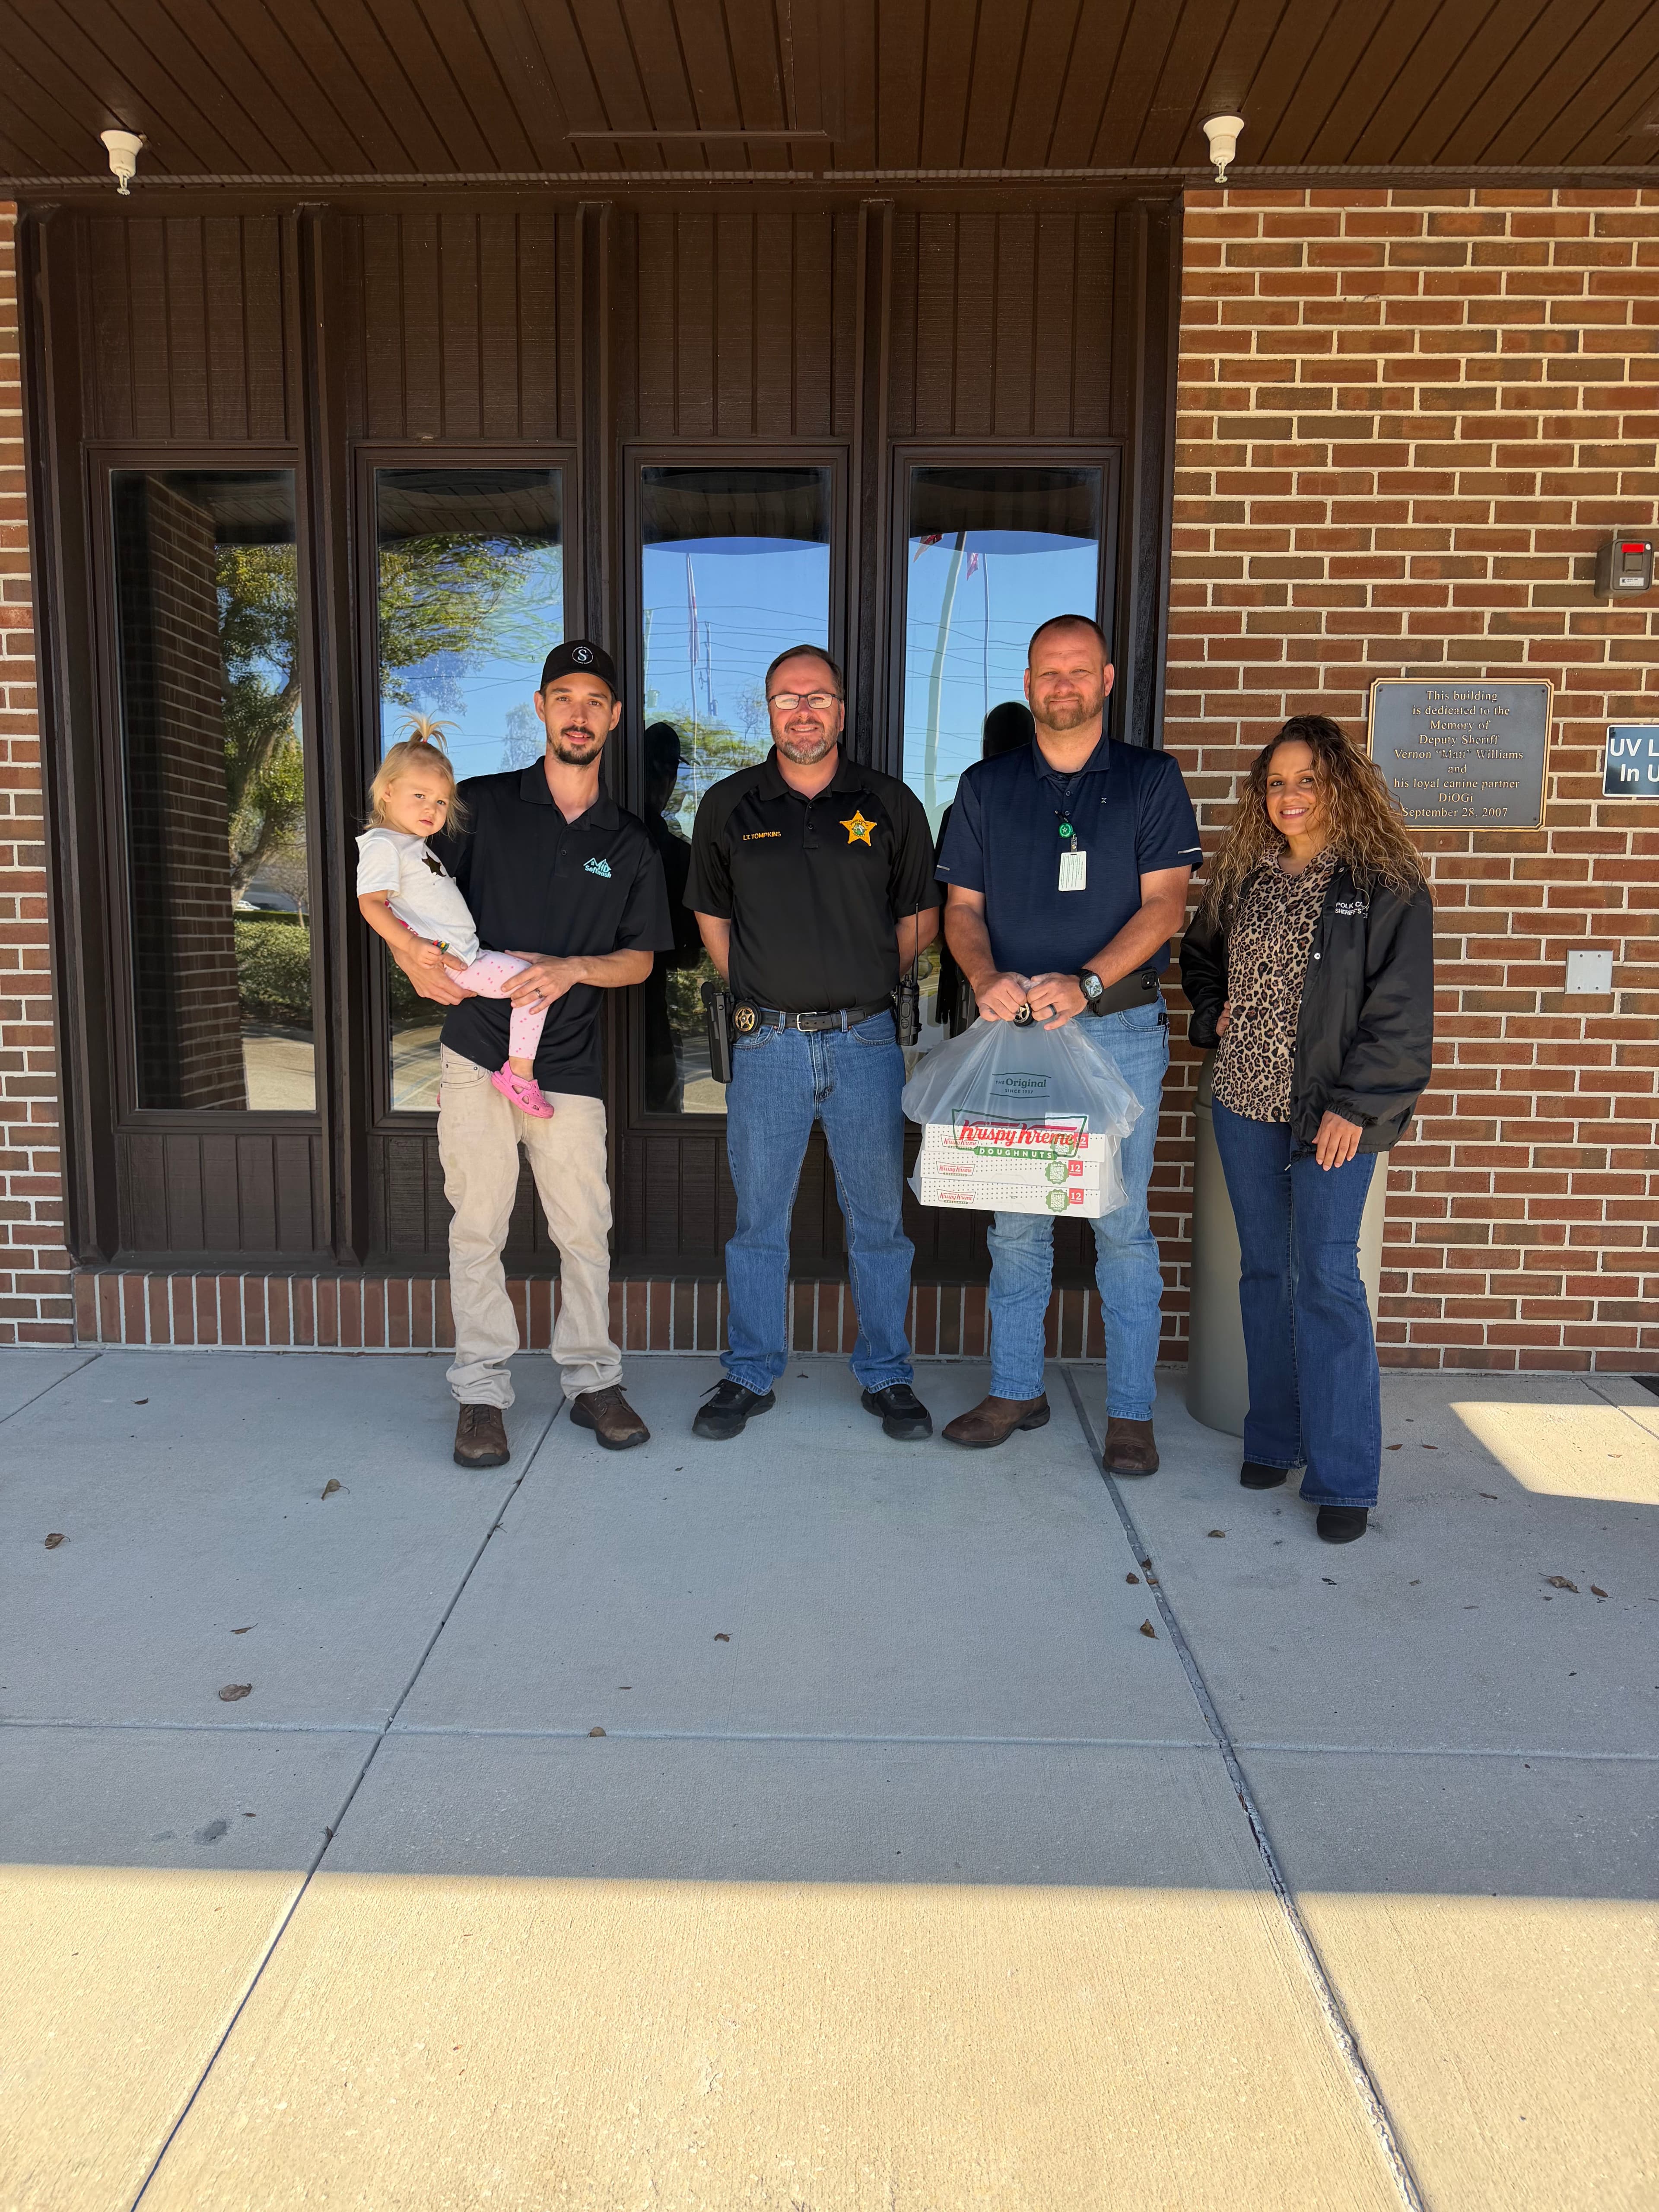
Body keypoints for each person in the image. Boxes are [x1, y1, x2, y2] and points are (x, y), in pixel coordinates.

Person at [387, 640, 674, 1468]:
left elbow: (642, 958)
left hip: (570, 1063)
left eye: (595, 701)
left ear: (614, 719)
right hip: (478, 1054)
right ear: (542, 709)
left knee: (585, 1229)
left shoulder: (628, 840)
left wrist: (573, 968)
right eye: (565, 697)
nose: (579, 713)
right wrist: (411, 957)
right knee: (478, 1226)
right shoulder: (477, 807)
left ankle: (592, 1380)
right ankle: (481, 1394)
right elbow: (404, 882)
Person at [936, 614, 1201, 1470]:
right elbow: (962, 912)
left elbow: (1166, 906)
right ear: (1028, 683)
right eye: (1048, 671)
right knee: (1018, 1227)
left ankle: (1131, 1411)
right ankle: (1018, 1389)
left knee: (1122, 1224)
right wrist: (982, 979)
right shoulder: (985, 787)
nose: (1063, 685)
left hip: (1117, 1027)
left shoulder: (1150, 781)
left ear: (1108, 679)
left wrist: (1084, 981)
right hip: (1015, 1038)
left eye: (1078, 670)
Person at [1180, 715, 1433, 1544]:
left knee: (1327, 1279)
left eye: (1307, 781)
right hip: (1245, 1100)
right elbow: (1202, 956)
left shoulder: (1384, 883)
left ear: (1340, 786)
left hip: (1333, 1114)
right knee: (1263, 1273)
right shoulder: (1245, 876)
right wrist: (1215, 1015)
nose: (1289, 797)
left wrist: (1357, 1109)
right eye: (1276, 782)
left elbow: (1400, 1017)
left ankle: (1345, 1477)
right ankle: (1275, 1437)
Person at [685, 645, 941, 1443]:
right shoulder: (729, 805)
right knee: (760, 1219)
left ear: (841, 709)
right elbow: (714, 922)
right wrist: (767, 991)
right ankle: (750, 1371)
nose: (803, 710)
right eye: (787, 697)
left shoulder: (889, 804)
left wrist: (859, 983)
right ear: (768, 711)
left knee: (879, 1220)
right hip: (767, 1048)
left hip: (867, 1040)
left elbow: (918, 923)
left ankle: (888, 1374)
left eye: (818, 696)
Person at [357, 724, 555, 1119]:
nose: (431, 809)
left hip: (469, 952)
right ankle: (519, 1075)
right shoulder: (382, 845)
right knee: (535, 989)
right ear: (388, 792)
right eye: (420, 796)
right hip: (461, 960)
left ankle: (458, 1091)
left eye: (442, 802)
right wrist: (410, 947)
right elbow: (371, 904)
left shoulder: (411, 843)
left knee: (532, 976)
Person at [933, 701, 1036, 1037]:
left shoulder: (960, 810)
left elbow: (942, 896)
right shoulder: (1059, 804)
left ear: (985, 747)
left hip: (973, 973)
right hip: (1031, 978)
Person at [639, 721, 706, 1112]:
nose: (667, 783)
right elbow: (688, 954)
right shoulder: (675, 854)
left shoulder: (681, 855)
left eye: (672, 771)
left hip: (648, 1004)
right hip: (635, 1007)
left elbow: (689, 954)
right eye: (661, 770)